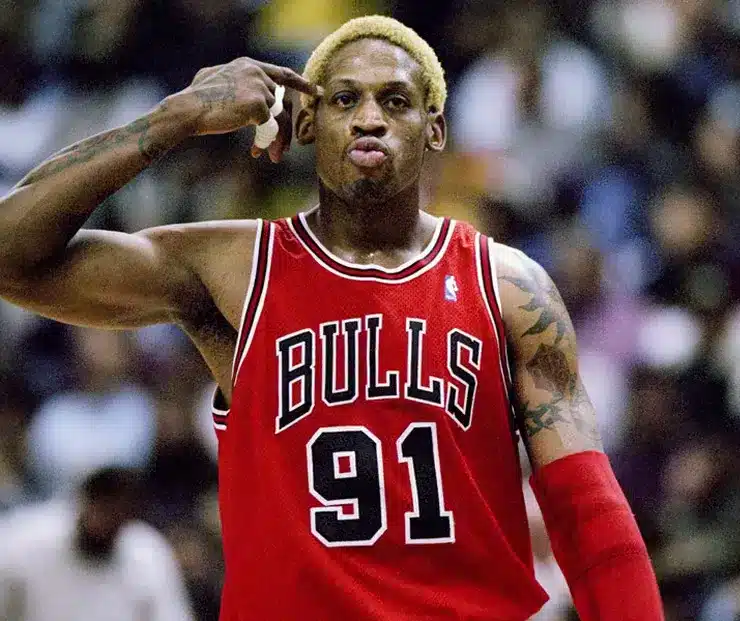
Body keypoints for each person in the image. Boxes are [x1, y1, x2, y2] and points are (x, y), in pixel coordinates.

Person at [0, 15, 663, 620]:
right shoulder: (234, 270)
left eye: (395, 101)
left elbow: (586, 510)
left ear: (434, 129)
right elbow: (11, 257)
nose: (369, 118)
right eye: (345, 99)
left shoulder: (509, 286)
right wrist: (176, 118)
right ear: (307, 124)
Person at [0, 466, 193, 621]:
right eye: (103, 509)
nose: (106, 522)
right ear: (84, 501)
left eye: (119, 514)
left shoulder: (148, 553)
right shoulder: (22, 541)